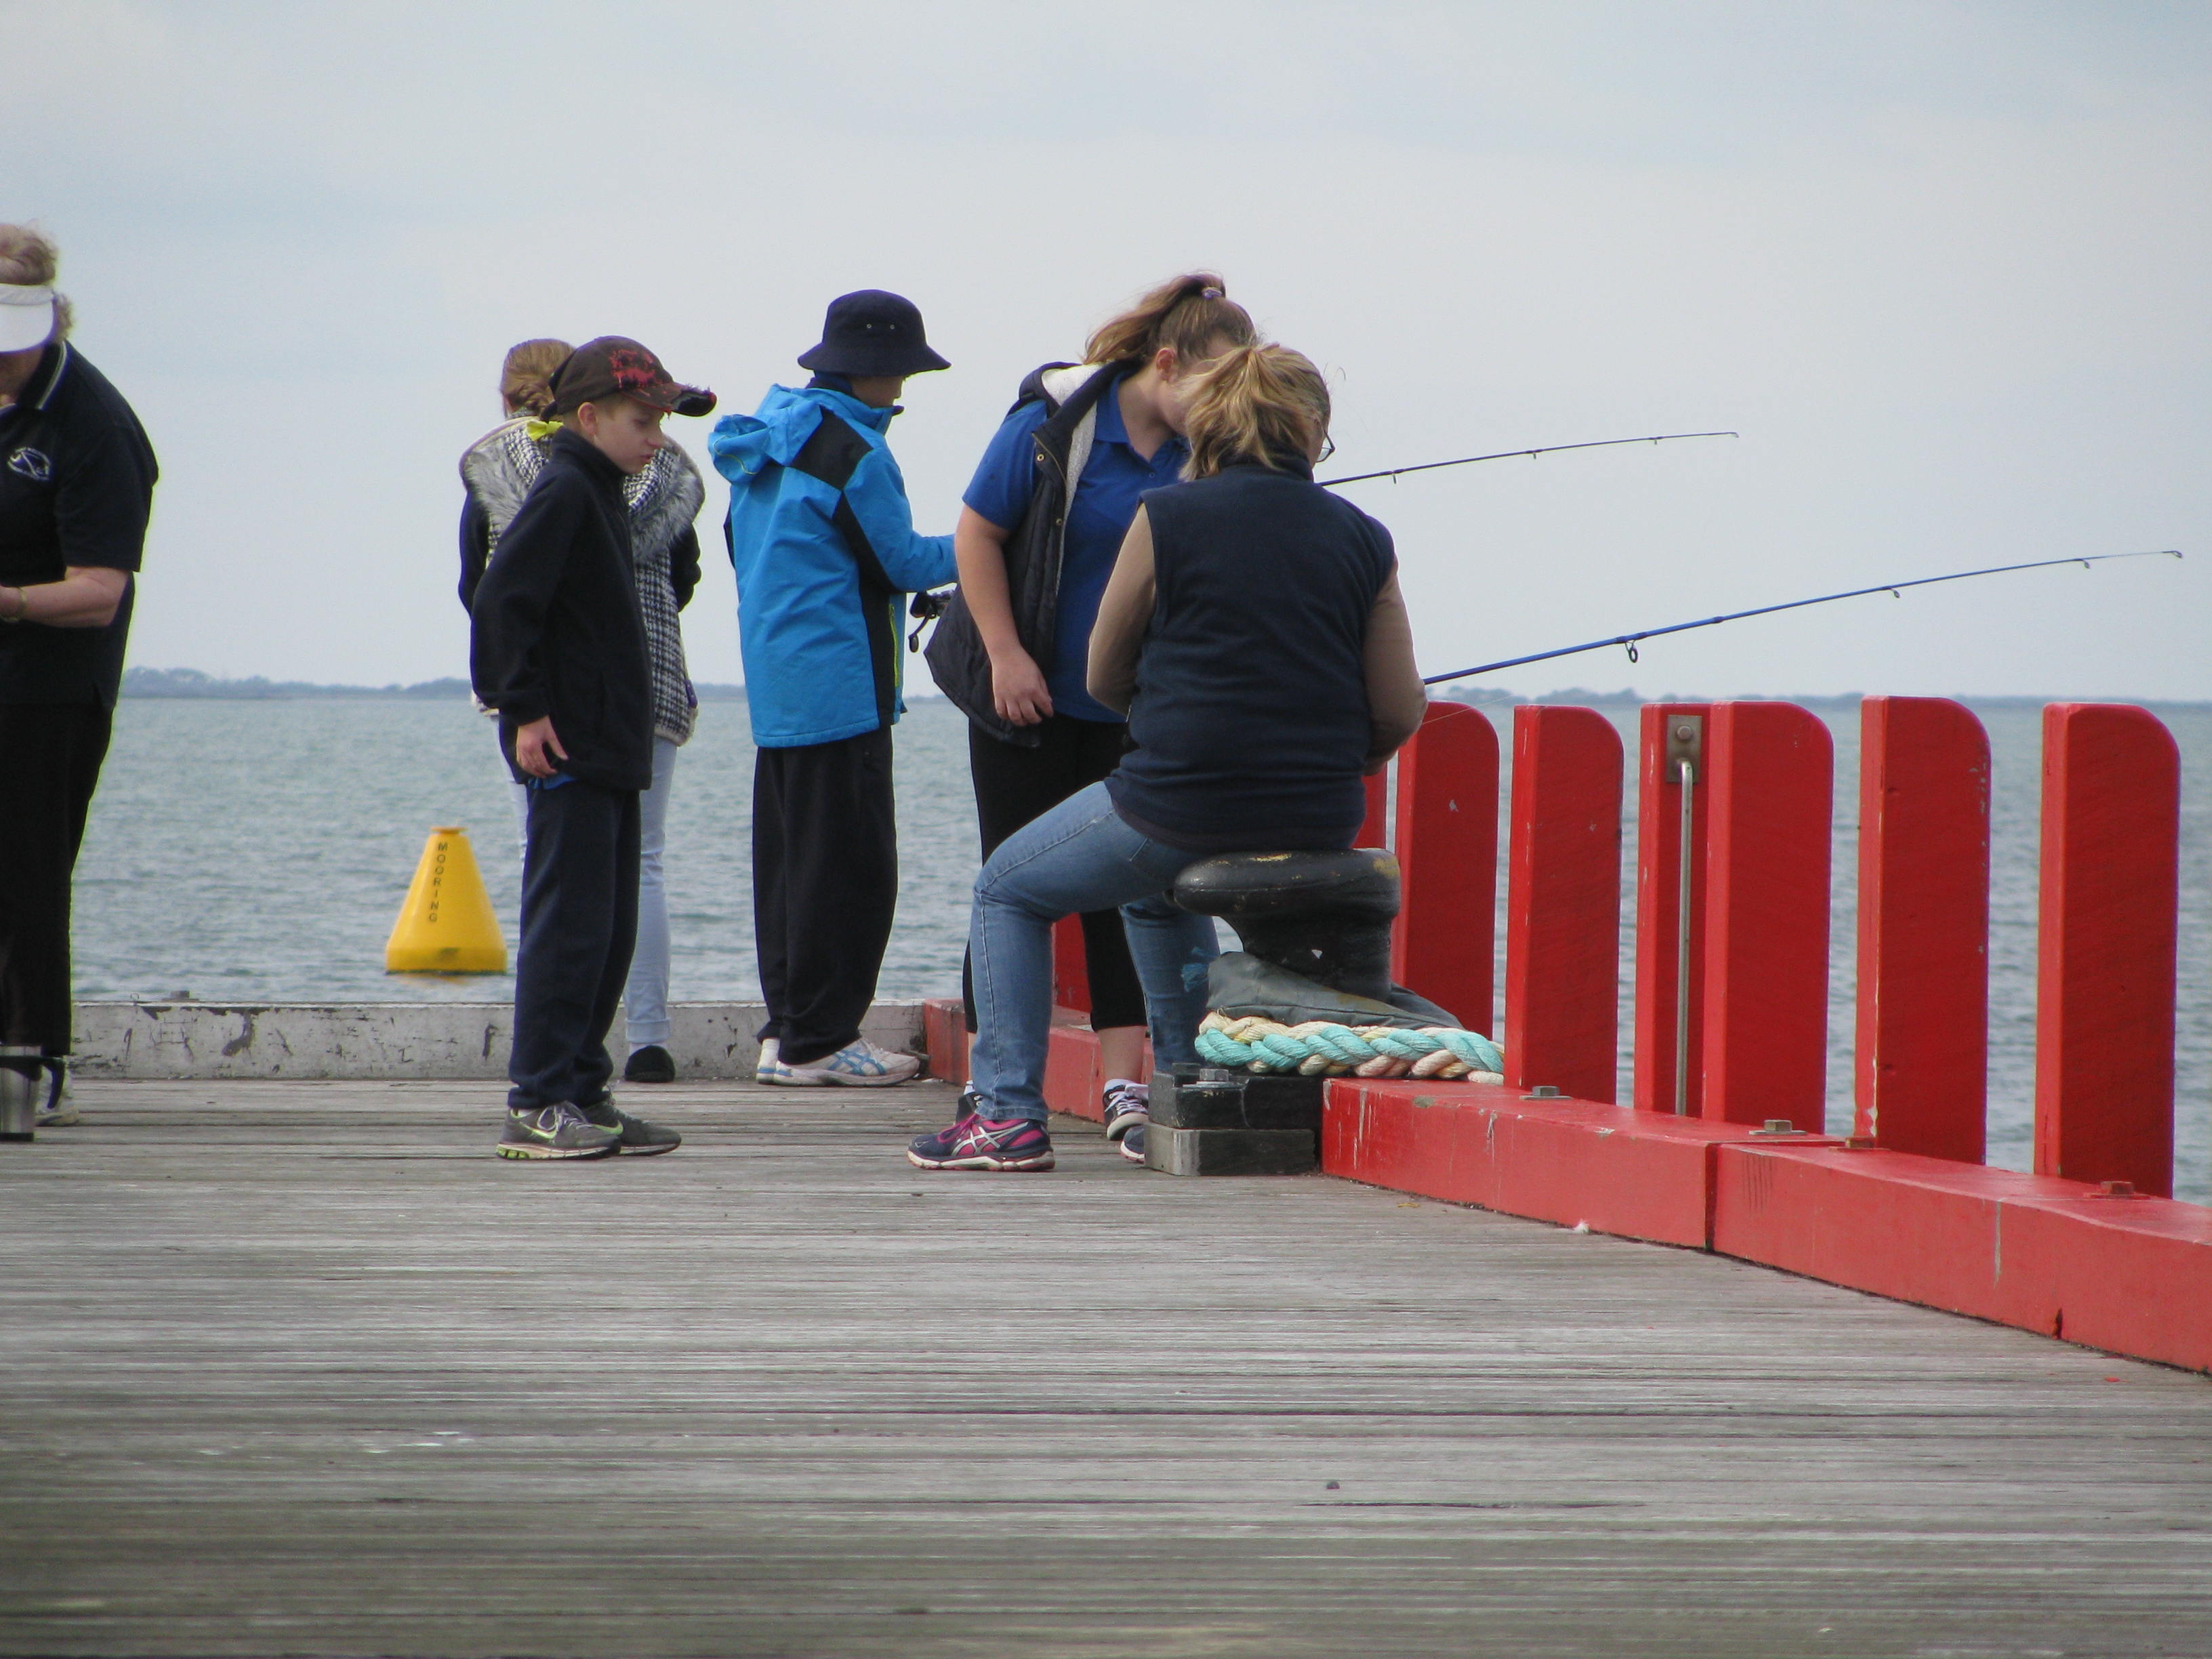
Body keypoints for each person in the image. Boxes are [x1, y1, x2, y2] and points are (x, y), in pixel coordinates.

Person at [908, 344, 1428, 1172]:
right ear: (1312, 433)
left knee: (1006, 888)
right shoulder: (1365, 537)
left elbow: (1103, 670)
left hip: (1180, 800)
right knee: (1148, 897)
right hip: (1322, 808)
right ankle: (1195, 1092)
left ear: (1214, 424)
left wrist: (1172, 725)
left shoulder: (1168, 516)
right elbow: (1399, 707)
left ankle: (1005, 1114)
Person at [926, 273, 1257, 1146]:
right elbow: (976, 532)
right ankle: (992, 1086)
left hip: (1130, 707)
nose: (1222, 410)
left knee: (1128, 886)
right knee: (1008, 879)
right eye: (1212, 389)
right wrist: (1005, 656)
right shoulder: (1054, 424)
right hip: (1020, 691)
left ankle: (1125, 1083)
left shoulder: (1204, 452)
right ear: (1165, 362)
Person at [470, 337, 715, 1160]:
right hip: (568, 743)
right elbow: (503, 598)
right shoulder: (566, 484)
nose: (657, 435)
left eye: (663, 419)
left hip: (614, 743)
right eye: (642, 418)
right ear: (587, 416)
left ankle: (583, 1088)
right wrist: (525, 709)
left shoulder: (606, 487)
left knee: (608, 928)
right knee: (567, 925)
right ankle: (537, 1099)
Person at [710, 291, 956, 1086]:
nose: (905, 391)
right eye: (902, 375)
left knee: (789, 872)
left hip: (777, 687)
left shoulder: (762, 444)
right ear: (876, 372)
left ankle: (788, 1035)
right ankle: (826, 1040)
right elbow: (906, 563)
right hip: (842, 689)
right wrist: (997, 540)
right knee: (854, 872)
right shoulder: (854, 450)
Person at [0, 225, 157, 1136]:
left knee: (24, 868)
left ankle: (31, 1055)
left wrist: (11, 603)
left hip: (46, 682)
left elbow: (100, 591)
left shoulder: (94, 423)